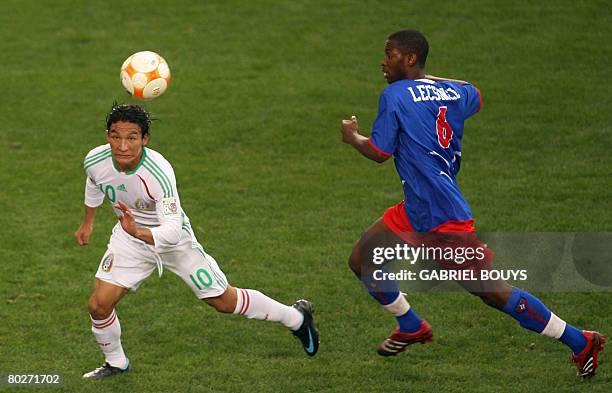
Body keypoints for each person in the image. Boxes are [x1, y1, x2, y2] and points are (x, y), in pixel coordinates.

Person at [340, 29, 605, 378]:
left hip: (442, 218)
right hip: (417, 208)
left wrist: (353, 137)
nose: (382, 61)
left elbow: (379, 152)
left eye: (389, 54)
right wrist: (429, 80)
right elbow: (475, 93)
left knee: (493, 292)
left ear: (410, 58)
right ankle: (410, 324)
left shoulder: (393, 96)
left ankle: (580, 340)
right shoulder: (454, 92)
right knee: (363, 260)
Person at [75, 103, 319, 378]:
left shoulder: (159, 173)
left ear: (145, 139)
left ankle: (297, 318)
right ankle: (116, 363)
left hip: (173, 242)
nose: (122, 145)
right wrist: (88, 222)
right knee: (98, 304)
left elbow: (173, 230)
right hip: (129, 239)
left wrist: (139, 232)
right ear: (107, 135)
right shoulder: (95, 160)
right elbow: (94, 182)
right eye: (115, 136)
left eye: (131, 137)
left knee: (223, 301)